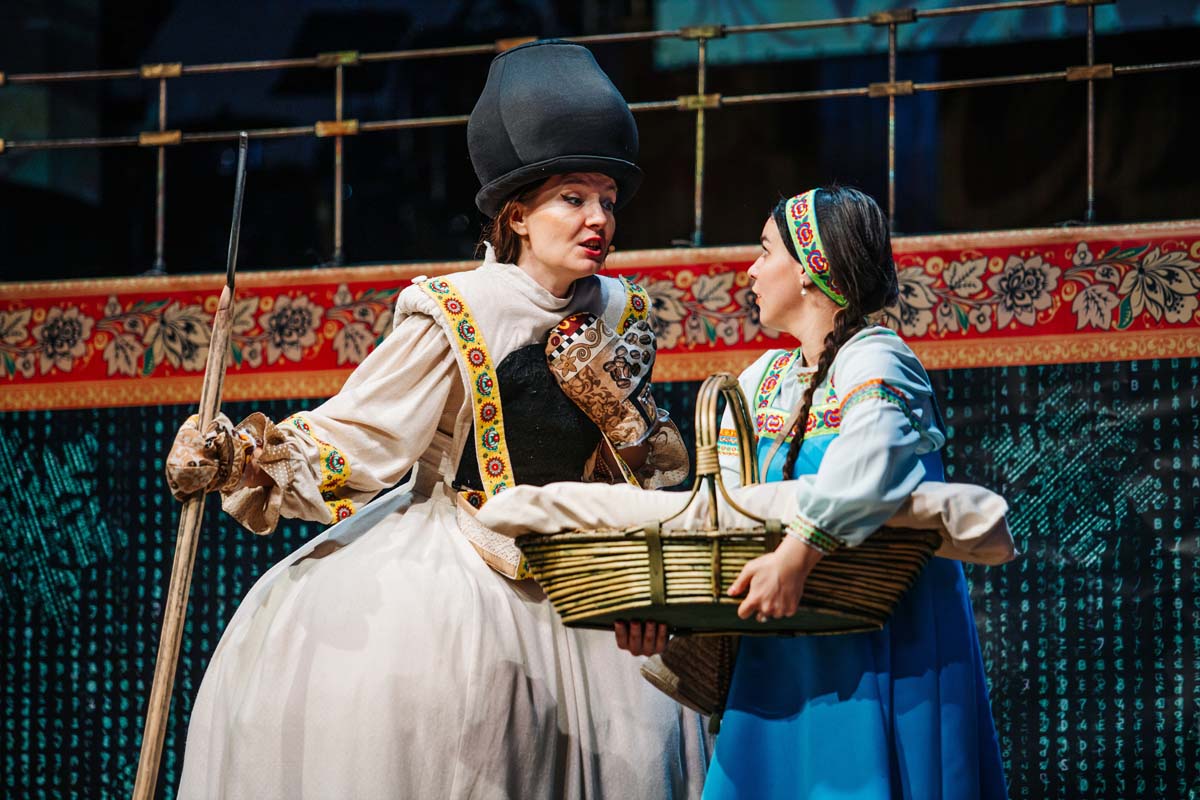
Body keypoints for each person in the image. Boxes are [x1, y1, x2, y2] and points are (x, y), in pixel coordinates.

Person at [167, 40, 707, 799]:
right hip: (471, 560)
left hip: (588, 567)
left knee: (643, 738)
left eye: (608, 201)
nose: (598, 220)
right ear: (518, 215)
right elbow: (363, 432)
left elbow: (642, 465)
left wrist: (629, 440)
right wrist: (238, 459)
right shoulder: (460, 308)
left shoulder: (622, 309)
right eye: (573, 199)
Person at [619, 186, 1007, 799]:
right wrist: (666, 605)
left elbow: (871, 461)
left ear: (809, 268)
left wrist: (796, 556)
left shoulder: (878, 359)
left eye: (764, 250)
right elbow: (720, 514)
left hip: (875, 643)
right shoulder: (762, 380)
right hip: (780, 650)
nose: (751, 270)